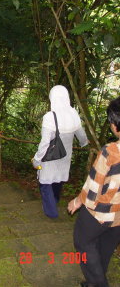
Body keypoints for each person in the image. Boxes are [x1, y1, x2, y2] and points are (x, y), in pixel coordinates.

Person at [68, 96, 120, 287]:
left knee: (83, 242)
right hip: (119, 216)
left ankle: (98, 283)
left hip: (101, 212)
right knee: (105, 247)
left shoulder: (111, 151)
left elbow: (93, 188)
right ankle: (94, 281)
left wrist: (77, 201)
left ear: (114, 125)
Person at [32, 85, 88, 218]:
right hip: (65, 155)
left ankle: (51, 213)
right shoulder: (73, 113)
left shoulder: (50, 117)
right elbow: (81, 134)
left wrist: (37, 159)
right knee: (58, 179)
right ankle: (55, 200)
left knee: (45, 182)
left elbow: (45, 142)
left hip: (50, 156)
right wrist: (84, 143)